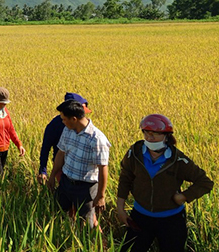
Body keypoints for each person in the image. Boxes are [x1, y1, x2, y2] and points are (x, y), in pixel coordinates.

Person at [116, 114, 214, 252]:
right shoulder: (135, 153)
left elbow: (205, 182)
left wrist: (183, 197)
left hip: (171, 220)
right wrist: (120, 208)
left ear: (166, 136)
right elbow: (125, 178)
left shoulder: (178, 160)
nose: (149, 138)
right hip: (140, 217)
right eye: (146, 133)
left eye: (154, 135)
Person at [47, 99, 111, 228]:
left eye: (64, 119)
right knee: (60, 213)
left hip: (85, 188)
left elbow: (103, 168)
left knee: (88, 224)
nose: (62, 122)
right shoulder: (68, 130)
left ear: (74, 119)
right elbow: (61, 153)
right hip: (66, 182)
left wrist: (100, 196)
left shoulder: (97, 139)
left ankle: (97, 245)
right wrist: (52, 176)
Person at [37, 92, 92, 184]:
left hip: (81, 170)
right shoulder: (55, 126)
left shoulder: (87, 129)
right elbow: (45, 149)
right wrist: (43, 171)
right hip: (61, 167)